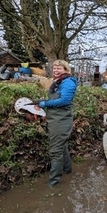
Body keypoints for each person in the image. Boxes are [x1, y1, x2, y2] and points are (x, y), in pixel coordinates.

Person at [34, 59, 77, 187]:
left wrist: (45, 104)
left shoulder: (68, 82)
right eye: (54, 68)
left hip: (61, 121)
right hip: (55, 119)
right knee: (62, 147)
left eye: (59, 68)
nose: (56, 70)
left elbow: (64, 100)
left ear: (66, 70)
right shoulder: (58, 82)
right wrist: (41, 105)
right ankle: (68, 171)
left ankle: (53, 183)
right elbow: (55, 101)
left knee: (56, 150)